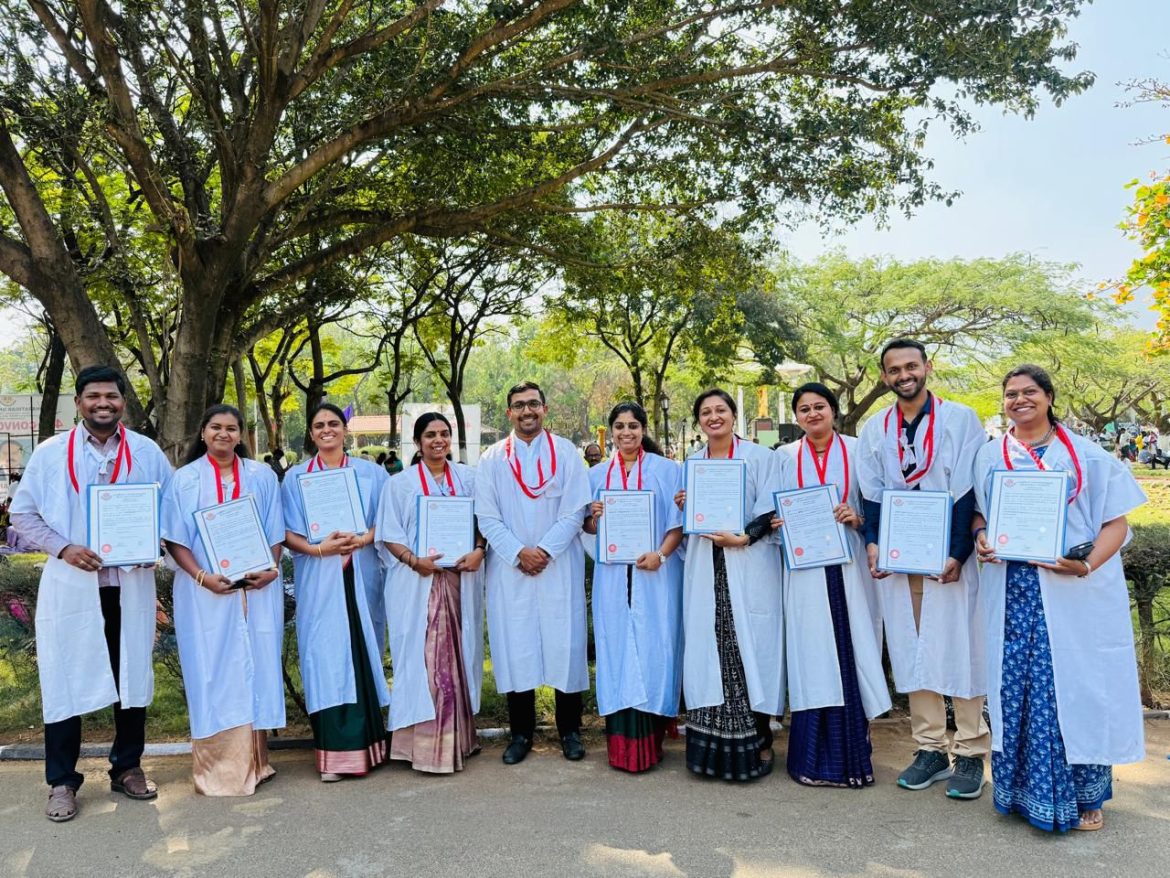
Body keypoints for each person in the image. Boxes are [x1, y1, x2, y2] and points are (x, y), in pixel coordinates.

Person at [973, 365, 1146, 832]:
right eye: (1010, 394)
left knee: (1071, 689)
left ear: (1049, 397)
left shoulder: (1087, 456)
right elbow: (977, 515)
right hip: (1013, 592)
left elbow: (1117, 524)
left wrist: (1086, 565)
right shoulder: (990, 455)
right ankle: (1019, 794)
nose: (1019, 400)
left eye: (1030, 392)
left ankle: (1084, 796)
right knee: (1018, 690)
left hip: (1071, 590)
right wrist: (983, 536)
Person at [10, 365, 172, 822]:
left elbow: (170, 508)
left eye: (112, 396)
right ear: (79, 402)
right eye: (94, 396)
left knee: (131, 676)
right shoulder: (49, 454)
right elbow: (22, 515)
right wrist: (63, 547)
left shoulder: (146, 452)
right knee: (64, 676)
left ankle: (128, 767)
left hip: (129, 584)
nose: (104, 403)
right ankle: (62, 781)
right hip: (72, 585)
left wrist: (151, 546)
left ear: (124, 401)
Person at [856, 339, 989, 799]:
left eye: (911, 365)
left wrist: (957, 554)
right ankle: (930, 747)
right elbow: (871, 496)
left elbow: (968, 490)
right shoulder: (877, 429)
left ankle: (970, 752)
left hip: (949, 558)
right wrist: (873, 544)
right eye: (894, 369)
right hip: (901, 558)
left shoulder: (959, 419)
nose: (904, 374)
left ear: (927, 367)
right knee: (915, 648)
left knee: (961, 645)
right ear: (884, 377)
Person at [769, 383, 890, 788]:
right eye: (803, 409)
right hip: (804, 570)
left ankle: (851, 757)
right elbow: (772, 508)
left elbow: (877, 506)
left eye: (819, 406)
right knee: (811, 655)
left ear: (834, 410)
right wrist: (778, 523)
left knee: (847, 651)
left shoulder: (858, 452)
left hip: (847, 567)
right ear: (797, 417)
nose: (811, 414)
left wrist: (856, 518)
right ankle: (809, 759)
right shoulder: (785, 457)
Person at [162, 405, 286, 796]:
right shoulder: (184, 480)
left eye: (232, 428)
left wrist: (271, 568)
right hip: (204, 593)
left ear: (241, 435)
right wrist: (202, 577)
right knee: (211, 668)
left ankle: (257, 762)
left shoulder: (261, 476)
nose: (224, 434)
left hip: (254, 590)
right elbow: (175, 538)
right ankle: (218, 770)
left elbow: (274, 529)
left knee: (255, 665)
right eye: (216, 427)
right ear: (203, 433)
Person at [476, 382, 591, 764]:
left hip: (558, 565)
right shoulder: (492, 458)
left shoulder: (568, 454)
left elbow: (576, 510)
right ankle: (521, 734)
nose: (527, 411)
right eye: (519, 406)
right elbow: (487, 517)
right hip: (511, 570)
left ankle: (570, 731)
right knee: (516, 644)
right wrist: (517, 553)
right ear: (509, 412)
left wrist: (543, 551)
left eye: (533, 404)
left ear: (545, 409)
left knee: (565, 645)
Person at [677, 389, 783, 781]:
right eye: (706, 412)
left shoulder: (759, 457)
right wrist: (685, 502)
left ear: (734, 415)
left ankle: (756, 743)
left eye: (721, 409)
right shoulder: (693, 463)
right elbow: (691, 517)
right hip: (707, 568)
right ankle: (709, 749)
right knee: (711, 651)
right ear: (700, 420)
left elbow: (770, 507)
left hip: (746, 564)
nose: (714, 416)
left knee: (746, 649)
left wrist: (745, 537)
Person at [282, 403, 390, 782]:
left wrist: (362, 539)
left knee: (362, 651)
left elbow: (384, 522)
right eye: (319, 425)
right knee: (326, 660)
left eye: (333, 424)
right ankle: (334, 756)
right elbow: (286, 532)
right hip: (320, 576)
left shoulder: (371, 473)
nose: (327, 430)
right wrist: (317, 550)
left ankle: (369, 749)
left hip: (359, 574)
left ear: (345, 429)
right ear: (311, 434)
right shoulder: (295, 478)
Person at [377, 412, 486, 772]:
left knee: (456, 654)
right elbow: (389, 534)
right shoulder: (401, 484)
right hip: (417, 584)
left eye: (443, 434)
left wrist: (479, 550)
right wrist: (413, 560)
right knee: (422, 659)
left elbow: (485, 523)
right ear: (418, 442)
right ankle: (422, 747)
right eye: (429, 435)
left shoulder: (469, 479)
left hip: (457, 581)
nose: (437, 440)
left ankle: (458, 740)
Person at [582, 402, 683, 772]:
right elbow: (588, 530)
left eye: (634, 426)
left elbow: (677, 525)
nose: (627, 433)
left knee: (653, 648)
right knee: (617, 650)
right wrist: (593, 520)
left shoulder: (666, 470)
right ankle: (621, 747)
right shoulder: (596, 475)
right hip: (613, 578)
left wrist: (661, 555)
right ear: (611, 431)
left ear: (644, 429)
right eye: (620, 426)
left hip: (652, 575)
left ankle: (650, 745)